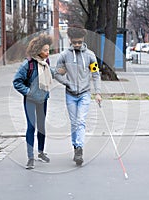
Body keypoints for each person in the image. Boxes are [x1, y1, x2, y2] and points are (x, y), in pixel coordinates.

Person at [54, 26, 102, 166]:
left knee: (81, 121)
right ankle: (75, 146)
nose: (77, 45)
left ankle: (79, 149)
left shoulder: (90, 55)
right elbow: (57, 73)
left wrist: (98, 92)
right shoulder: (64, 55)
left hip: (84, 94)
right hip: (70, 94)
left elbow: (95, 74)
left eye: (79, 42)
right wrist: (66, 82)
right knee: (74, 123)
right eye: (74, 42)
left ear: (83, 40)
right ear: (70, 40)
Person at [13, 34, 53, 169]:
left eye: (48, 50)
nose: (48, 53)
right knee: (31, 127)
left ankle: (41, 152)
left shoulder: (46, 63)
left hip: (43, 99)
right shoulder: (28, 64)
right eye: (45, 50)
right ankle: (30, 157)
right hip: (30, 100)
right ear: (37, 50)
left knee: (41, 127)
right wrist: (28, 92)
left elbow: (49, 74)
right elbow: (17, 82)